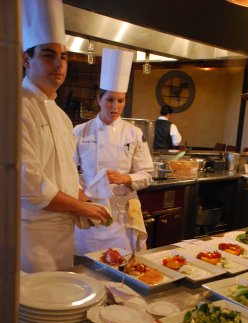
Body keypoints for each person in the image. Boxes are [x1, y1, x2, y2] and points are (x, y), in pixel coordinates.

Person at [21, 0, 110, 273]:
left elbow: (65, 173)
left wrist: (84, 199)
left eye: (64, 56)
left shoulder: (60, 115)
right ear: (27, 60)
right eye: (49, 55)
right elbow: (29, 184)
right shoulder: (15, 107)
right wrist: (82, 208)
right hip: (30, 239)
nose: (59, 63)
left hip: (63, 236)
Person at [74, 48, 154, 255]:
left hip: (123, 216)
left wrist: (125, 178)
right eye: (110, 99)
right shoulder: (80, 132)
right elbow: (67, 171)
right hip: (92, 212)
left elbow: (147, 174)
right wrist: (80, 197)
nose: (115, 107)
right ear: (99, 99)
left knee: (125, 269)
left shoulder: (134, 134)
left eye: (120, 100)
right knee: (90, 268)